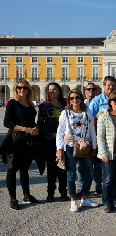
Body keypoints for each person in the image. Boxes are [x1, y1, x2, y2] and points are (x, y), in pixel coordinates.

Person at [56, 89, 98, 212]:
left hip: (85, 145)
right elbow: (60, 132)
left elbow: (92, 131)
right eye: (72, 98)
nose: (75, 100)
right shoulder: (66, 113)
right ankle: (73, 200)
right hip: (69, 145)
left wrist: (94, 147)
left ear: (81, 98)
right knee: (71, 174)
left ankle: (85, 198)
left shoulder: (87, 112)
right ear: (69, 100)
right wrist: (59, 149)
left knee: (90, 173)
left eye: (77, 97)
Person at [4, 79, 40, 210]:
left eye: (24, 88)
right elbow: (7, 123)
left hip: (29, 140)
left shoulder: (30, 104)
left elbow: (31, 121)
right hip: (16, 139)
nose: (22, 90)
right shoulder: (13, 103)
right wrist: (25, 129)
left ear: (28, 90)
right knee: (12, 169)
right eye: (19, 88)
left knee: (25, 168)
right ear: (16, 89)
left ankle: (26, 195)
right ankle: (13, 198)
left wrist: (35, 128)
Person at [37, 82, 68, 202]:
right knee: (51, 167)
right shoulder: (43, 106)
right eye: (50, 89)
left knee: (63, 166)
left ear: (59, 91)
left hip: (63, 140)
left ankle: (63, 192)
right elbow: (40, 122)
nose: (52, 91)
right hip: (48, 140)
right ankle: (50, 193)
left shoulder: (65, 105)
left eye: (54, 89)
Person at [89, 76, 116, 196]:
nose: (111, 87)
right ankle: (98, 186)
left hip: (114, 137)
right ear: (104, 86)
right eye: (108, 85)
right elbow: (91, 120)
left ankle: (112, 187)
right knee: (98, 164)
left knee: (112, 165)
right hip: (100, 136)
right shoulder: (96, 100)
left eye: (113, 85)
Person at [77, 82, 98, 196]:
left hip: (95, 137)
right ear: (85, 91)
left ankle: (97, 186)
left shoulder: (98, 102)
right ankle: (80, 186)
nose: (91, 91)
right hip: (84, 138)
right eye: (89, 89)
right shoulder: (81, 104)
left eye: (93, 89)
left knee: (96, 164)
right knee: (82, 165)